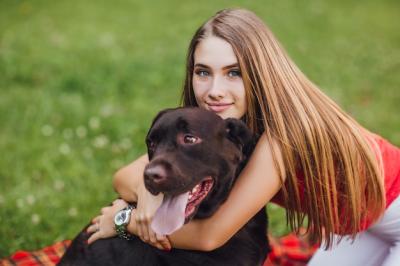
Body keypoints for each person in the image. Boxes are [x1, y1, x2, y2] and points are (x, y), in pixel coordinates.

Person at [86, 8, 400, 265]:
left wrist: (125, 221)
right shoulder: (223, 124)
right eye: (203, 72)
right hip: (355, 227)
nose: (214, 91)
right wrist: (149, 197)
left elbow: (210, 236)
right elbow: (125, 176)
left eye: (234, 72)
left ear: (262, 72)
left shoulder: (285, 135)